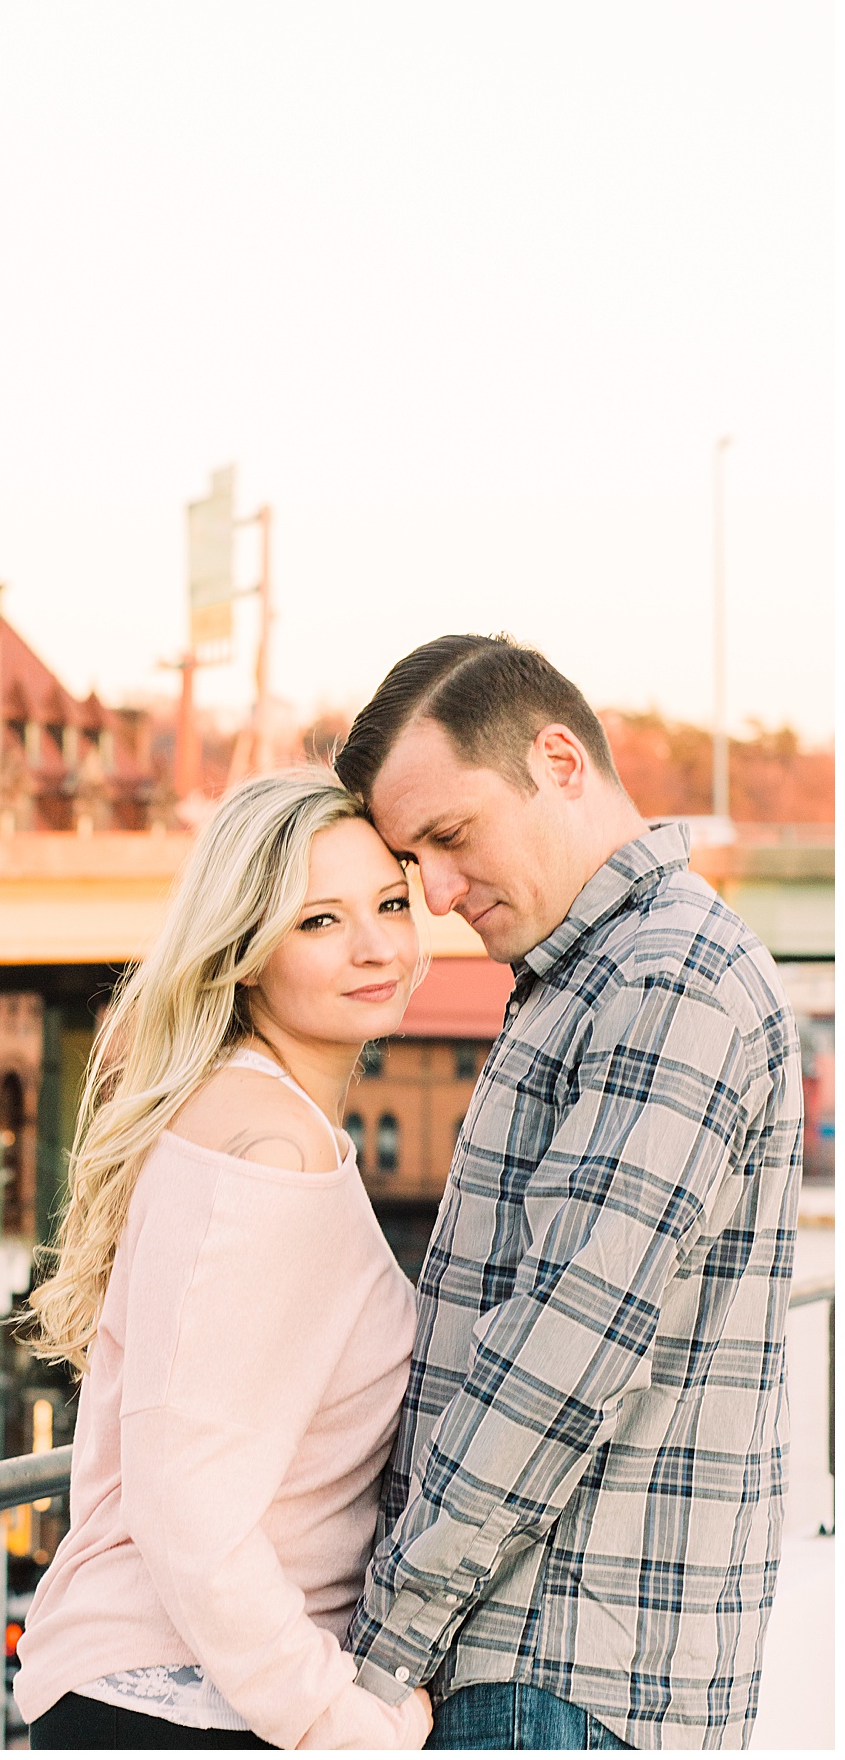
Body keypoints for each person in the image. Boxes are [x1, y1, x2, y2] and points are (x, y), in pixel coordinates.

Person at [333, 634, 802, 1752]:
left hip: (548, 1673)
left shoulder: (665, 974)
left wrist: (379, 1651)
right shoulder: (590, 974)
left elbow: (560, 1355)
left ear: (559, 759)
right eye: (415, 861)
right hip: (554, 1666)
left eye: (450, 837)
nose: (437, 894)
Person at [13, 767, 434, 1751]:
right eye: (319, 921)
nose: (377, 946)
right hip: (182, 1705)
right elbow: (185, 1503)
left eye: (389, 903)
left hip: (170, 1693)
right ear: (245, 952)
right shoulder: (267, 1151)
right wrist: (343, 1722)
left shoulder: (242, 1115)